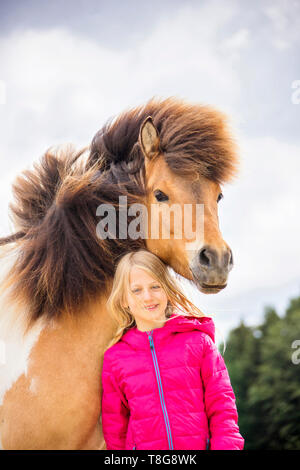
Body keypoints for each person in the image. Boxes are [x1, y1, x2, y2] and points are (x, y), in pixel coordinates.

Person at [101, 250, 244, 450]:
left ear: (167, 290)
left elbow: (223, 410)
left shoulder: (199, 343)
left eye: (155, 286)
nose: (148, 296)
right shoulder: (115, 359)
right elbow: (115, 430)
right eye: (137, 290)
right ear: (124, 300)